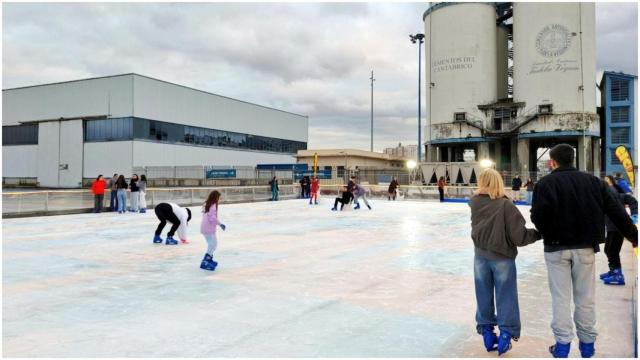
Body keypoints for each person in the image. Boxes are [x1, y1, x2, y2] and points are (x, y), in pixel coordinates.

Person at [530, 144, 638, 358]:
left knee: (560, 299)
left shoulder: (545, 183)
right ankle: (587, 346)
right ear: (573, 160)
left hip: (556, 249)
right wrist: (634, 237)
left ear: (552, 162)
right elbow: (616, 210)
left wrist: (549, 231)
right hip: (585, 248)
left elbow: (538, 217)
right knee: (585, 298)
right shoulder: (593, 182)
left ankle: (562, 346)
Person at [470, 168, 541, 355]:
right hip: (501, 257)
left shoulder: (475, 202)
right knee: (506, 295)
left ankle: (486, 331)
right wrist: (537, 234)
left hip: (480, 256)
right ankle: (505, 334)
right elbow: (519, 237)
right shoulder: (504, 205)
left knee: (483, 294)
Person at [600, 175, 638, 285]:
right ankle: (613, 271)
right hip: (611, 227)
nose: (607, 183)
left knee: (612, 250)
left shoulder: (616, 194)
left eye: (608, 181)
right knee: (608, 249)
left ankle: (617, 274)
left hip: (618, 228)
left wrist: (635, 214)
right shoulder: (605, 195)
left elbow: (632, 200)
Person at [200, 190, 226, 271]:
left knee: (212, 244)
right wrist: (220, 224)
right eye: (218, 197)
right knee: (213, 244)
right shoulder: (213, 205)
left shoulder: (207, 203)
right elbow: (212, 218)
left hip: (205, 227)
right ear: (215, 197)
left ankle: (208, 259)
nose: (219, 199)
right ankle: (205, 261)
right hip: (209, 228)